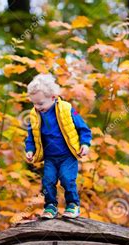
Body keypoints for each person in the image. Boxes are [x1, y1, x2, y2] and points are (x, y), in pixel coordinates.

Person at [25, 74, 92, 219]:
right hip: (50, 157)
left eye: (41, 103)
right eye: (34, 104)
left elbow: (83, 128)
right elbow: (31, 135)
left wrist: (85, 144)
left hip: (67, 155)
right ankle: (50, 206)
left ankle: (73, 205)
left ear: (53, 97)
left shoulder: (67, 109)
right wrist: (30, 150)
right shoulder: (35, 115)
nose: (37, 107)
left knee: (67, 179)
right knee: (48, 181)